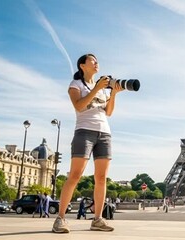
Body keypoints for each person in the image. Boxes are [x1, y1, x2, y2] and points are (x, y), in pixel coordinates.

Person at [52, 54, 123, 234]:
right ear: (82, 65)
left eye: (97, 60)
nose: (96, 62)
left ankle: (98, 219)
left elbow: (108, 112)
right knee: (75, 175)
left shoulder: (102, 90)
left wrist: (112, 93)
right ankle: (60, 218)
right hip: (84, 132)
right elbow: (79, 106)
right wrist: (96, 88)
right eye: (92, 60)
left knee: (101, 178)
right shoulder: (75, 85)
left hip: (104, 133)